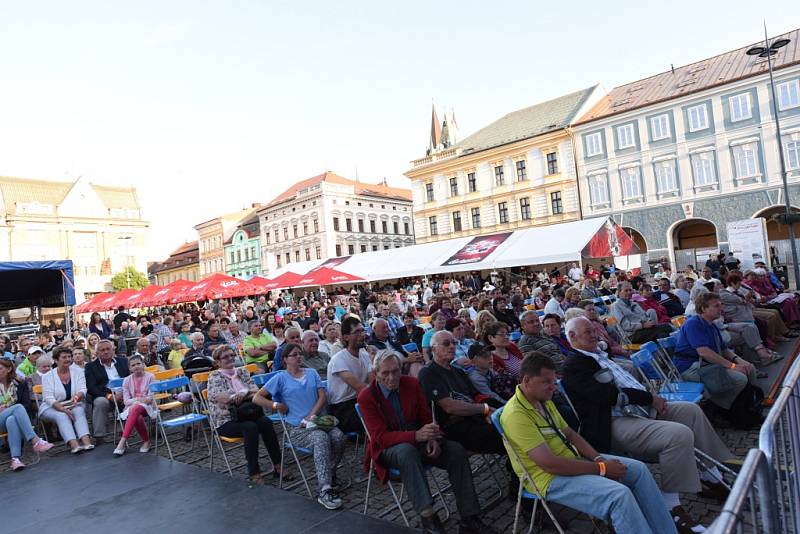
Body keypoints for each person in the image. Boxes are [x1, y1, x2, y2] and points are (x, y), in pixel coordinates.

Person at [561, 316, 734, 533]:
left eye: (594, 329)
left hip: (637, 410)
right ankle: (670, 505)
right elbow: (608, 395)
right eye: (588, 332)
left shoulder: (598, 354)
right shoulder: (575, 365)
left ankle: (709, 474)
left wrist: (649, 398)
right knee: (678, 435)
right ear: (572, 337)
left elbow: (625, 382)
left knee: (691, 411)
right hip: (611, 423)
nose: (595, 334)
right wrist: (650, 398)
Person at [501, 353, 676, 534]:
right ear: (527, 380)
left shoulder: (542, 399)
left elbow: (570, 434)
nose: (553, 387)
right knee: (619, 496)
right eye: (547, 382)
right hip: (547, 478)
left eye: (554, 381)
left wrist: (598, 458)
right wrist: (602, 468)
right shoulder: (516, 415)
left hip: (570, 460)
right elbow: (549, 464)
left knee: (639, 470)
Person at [358, 351, 496, 534]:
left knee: (455, 450)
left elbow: (425, 416)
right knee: (407, 452)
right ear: (375, 374)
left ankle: (469, 517)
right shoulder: (367, 396)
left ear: (401, 369)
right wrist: (417, 436)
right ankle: (429, 518)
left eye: (395, 371)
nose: (391, 377)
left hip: (419, 438)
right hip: (389, 447)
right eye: (385, 373)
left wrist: (432, 436)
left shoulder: (411, 383)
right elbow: (380, 437)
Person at [256, 343, 346, 510]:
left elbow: (322, 396)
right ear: (285, 360)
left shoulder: (311, 373)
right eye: (294, 355)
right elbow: (257, 398)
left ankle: (329, 472)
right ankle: (325, 489)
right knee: (321, 439)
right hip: (296, 428)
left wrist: (312, 414)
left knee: (339, 437)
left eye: (300, 354)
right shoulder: (280, 378)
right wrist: (276, 405)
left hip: (317, 421)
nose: (299, 357)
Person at [417, 331, 505, 457]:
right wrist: (484, 409)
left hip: (475, 417)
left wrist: (489, 411)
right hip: (453, 425)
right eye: (446, 344)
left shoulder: (458, 370)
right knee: (501, 432)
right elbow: (450, 407)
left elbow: (476, 395)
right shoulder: (427, 373)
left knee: (507, 422)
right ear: (434, 349)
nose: (452, 346)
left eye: (454, 343)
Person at [207, 345, 284, 485]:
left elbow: (257, 392)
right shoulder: (214, 376)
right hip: (226, 421)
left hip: (250, 414)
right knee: (250, 428)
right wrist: (245, 394)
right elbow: (223, 399)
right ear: (218, 362)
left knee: (266, 422)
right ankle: (254, 472)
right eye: (226, 357)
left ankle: (278, 465)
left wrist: (241, 395)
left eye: (232, 355)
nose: (230, 358)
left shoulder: (242, 371)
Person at [674, 292, 758, 420]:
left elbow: (724, 349)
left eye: (721, 305)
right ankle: (720, 409)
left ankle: (747, 407)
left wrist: (741, 362)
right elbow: (704, 352)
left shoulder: (711, 325)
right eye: (716, 306)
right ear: (703, 309)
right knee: (740, 379)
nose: (721, 308)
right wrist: (733, 366)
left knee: (750, 369)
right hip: (690, 367)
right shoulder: (693, 324)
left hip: (706, 364)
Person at [0, 359, 54, 470]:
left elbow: (27, 405)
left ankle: (15, 459)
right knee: (17, 408)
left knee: (12, 419)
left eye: (0, 368)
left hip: (12, 418)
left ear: (9, 369)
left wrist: (10, 409)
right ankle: (35, 440)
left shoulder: (20, 383)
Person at [40, 346, 94, 453]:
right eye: (64, 357)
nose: (68, 359)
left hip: (73, 403)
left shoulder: (78, 371)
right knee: (62, 415)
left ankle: (86, 441)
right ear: (56, 360)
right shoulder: (47, 376)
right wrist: (63, 409)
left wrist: (77, 396)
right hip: (51, 406)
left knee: (78, 410)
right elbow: (48, 398)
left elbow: (83, 388)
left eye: (69, 356)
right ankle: (73, 444)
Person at [326, 316, 372, 435]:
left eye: (363, 330)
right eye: (357, 332)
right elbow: (360, 387)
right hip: (342, 409)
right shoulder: (338, 359)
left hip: (360, 400)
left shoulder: (364, 355)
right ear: (346, 337)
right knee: (379, 416)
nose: (362, 335)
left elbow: (373, 381)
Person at [84, 339, 130, 442]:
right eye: (102, 350)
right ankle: (99, 436)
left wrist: (124, 394)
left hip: (125, 394)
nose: (105, 352)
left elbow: (131, 379)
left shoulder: (124, 361)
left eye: (108, 349)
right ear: (97, 353)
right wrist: (110, 396)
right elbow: (91, 388)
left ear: (113, 350)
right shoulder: (90, 367)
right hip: (106, 396)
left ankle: (152, 426)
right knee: (100, 402)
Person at [113, 354, 156, 456]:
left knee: (136, 408)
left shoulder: (151, 377)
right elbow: (126, 401)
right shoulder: (127, 380)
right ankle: (146, 441)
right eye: (133, 365)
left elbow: (150, 398)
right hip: (131, 408)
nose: (136, 366)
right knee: (138, 418)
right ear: (130, 368)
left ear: (143, 364)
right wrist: (138, 400)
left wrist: (137, 402)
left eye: (138, 364)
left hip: (148, 407)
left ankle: (122, 442)